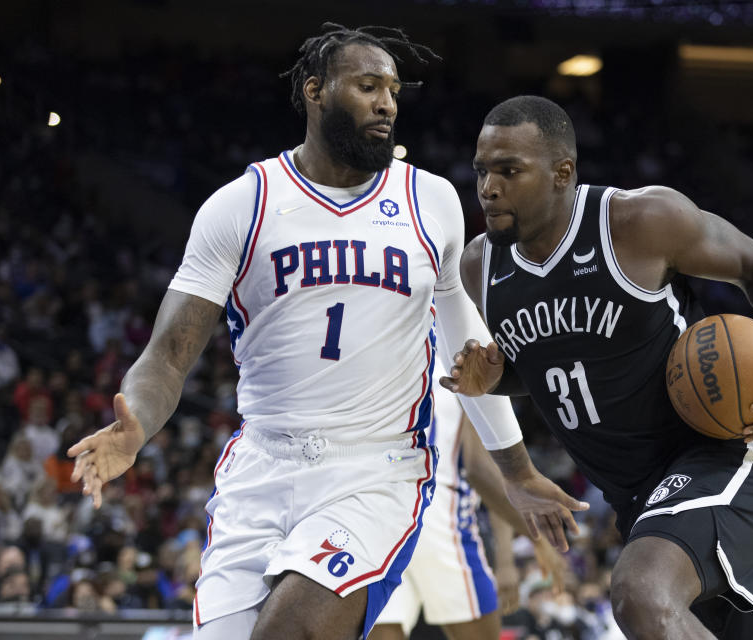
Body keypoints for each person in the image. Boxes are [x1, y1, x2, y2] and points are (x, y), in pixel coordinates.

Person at [66, 27, 583, 640]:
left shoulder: (431, 200)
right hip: (261, 469)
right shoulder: (243, 204)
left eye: (393, 89)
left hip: (377, 470)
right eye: (367, 86)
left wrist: (518, 471)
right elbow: (168, 357)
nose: (386, 102)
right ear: (315, 91)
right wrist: (138, 425)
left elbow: (467, 349)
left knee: (292, 630)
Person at [441, 95, 753, 640]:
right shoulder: (481, 267)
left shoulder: (638, 222)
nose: (488, 187)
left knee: (641, 595)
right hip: (640, 498)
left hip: (722, 458)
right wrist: (494, 381)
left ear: (562, 173)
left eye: (509, 170)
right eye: (482, 170)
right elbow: (550, 370)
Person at [370, 366, 566, 640]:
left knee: (384, 627)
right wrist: (538, 541)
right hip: (434, 506)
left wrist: (507, 559)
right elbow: (482, 470)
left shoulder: (397, 351)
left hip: (377, 506)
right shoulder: (468, 358)